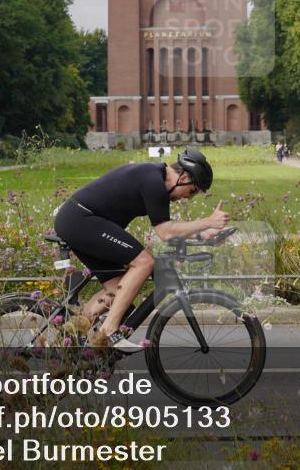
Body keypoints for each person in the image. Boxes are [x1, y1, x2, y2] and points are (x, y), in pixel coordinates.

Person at [53, 148, 228, 352]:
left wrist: (202, 234)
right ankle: (109, 331)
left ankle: (69, 341)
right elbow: (166, 232)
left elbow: (166, 227)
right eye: (192, 191)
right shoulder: (153, 181)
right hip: (81, 220)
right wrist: (207, 222)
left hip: (80, 221)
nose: (189, 198)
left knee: (116, 291)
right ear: (184, 176)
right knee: (145, 262)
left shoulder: (155, 177)